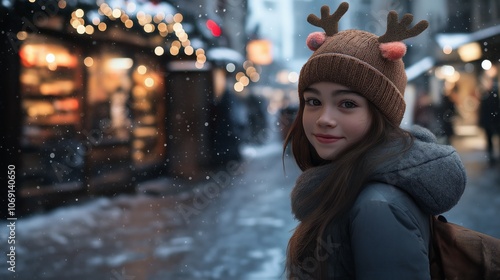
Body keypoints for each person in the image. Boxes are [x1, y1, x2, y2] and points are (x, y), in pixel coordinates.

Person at [283, 2, 467, 279]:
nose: (324, 118)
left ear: (380, 115)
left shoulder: (377, 206)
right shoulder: (350, 185)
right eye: (313, 101)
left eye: (346, 103)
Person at [478, 77, 500, 165]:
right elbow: (483, 110)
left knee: (493, 139)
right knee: (490, 140)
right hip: (490, 122)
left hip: (493, 121)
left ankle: (492, 156)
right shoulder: (486, 96)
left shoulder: (492, 96)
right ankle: (491, 156)